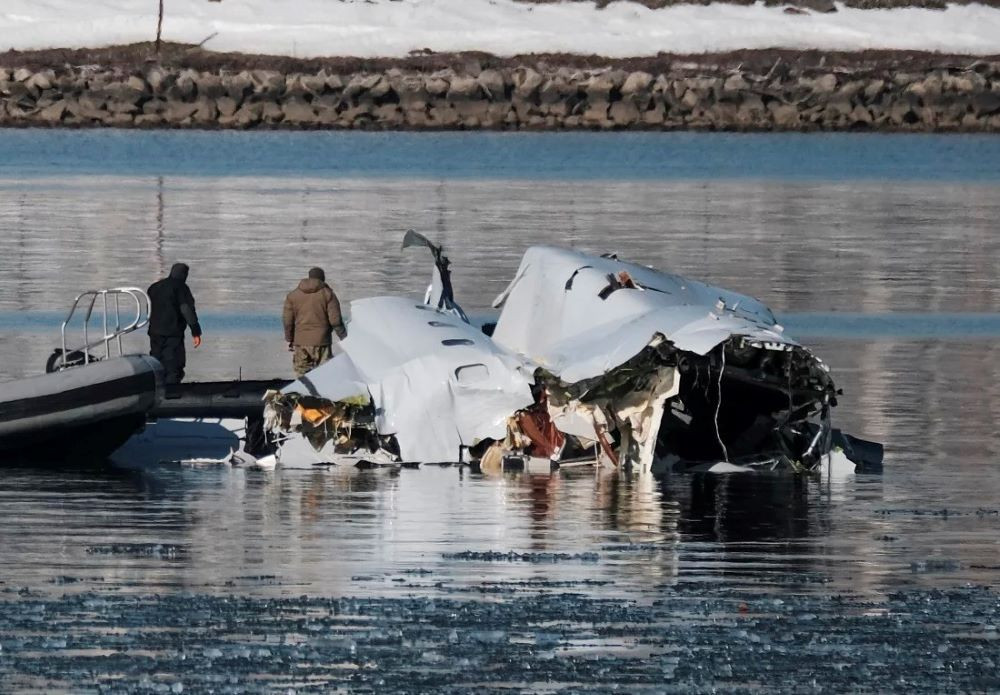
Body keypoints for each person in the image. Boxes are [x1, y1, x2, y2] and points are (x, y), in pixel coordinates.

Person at [283, 267, 346, 378]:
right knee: (325, 374)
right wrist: (344, 337)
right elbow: (335, 321)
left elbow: (287, 321)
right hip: (322, 342)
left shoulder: (293, 296)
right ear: (323, 279)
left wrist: (289, 339)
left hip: (300, 342)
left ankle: (304, 393)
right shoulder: (328, 294)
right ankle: (324, 394)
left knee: (302, 375)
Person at [147, 262, 202, 384]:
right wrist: (195, 331)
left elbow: (149, 309)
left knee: (156, 362)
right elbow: (186, 309)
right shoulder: (181, 288)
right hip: (173, 333)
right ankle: (171, 393)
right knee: (173, 364)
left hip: (154, 332)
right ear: (184, 274)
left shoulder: (154, 287)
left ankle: (155, 388)